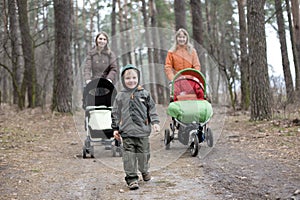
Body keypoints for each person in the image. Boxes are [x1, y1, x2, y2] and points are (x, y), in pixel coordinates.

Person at [111, 64, 160, 190]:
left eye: (134, 77)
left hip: (142, 132)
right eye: (128, 78)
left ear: (138, 78)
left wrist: (155, 122)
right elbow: (115, 113)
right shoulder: (120, 96)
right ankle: (132, 179)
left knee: (144, 155)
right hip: (126, 132)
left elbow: (152, 109)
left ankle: (144, 170)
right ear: (123, 80)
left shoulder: (144, 94)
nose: (131, 80)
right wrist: (115, 128)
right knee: (129, 157)